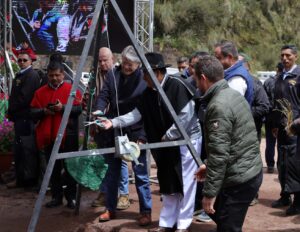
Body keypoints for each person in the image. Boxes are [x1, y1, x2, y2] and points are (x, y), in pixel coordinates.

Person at [100, 52, 202, 232]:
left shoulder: (176, 85)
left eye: (145, 74)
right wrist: (113, 122)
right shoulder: (148, 93)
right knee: (169, 182)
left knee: (186, 182)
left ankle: (183, 224)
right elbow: (135, 114)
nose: (143, 78)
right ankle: (167, 222)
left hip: (187, 142)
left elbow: (186, 116)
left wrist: (169, 135)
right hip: (167, 144)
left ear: (156, 73)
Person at [194, 55, 263, 232]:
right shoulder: (232, 94)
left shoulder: (218, 106)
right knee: (223, 218)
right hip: (248, 172)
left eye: (196, 79)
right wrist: (208, 165)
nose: (195, 85)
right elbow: (234, 141)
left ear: (203, 78)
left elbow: (219, 154)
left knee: (227, 225)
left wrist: (209, 194)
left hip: (241, 178)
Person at [95, 45, 152, 226]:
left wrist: (143, 136)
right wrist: (98, 110)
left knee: (141, 174)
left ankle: (146, 211)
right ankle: (110, 208)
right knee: (112, 172)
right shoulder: (113, 74)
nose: (126, 67)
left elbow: (145, 111)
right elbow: (104, 95)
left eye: (131, 65)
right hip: (114, 128)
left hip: (136, 130)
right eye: (125, 63)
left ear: (138, 65)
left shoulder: (144, 79)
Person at [30, 61, 82, 209]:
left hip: (68, 135)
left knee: (70, 167)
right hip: (49, 136)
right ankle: (56, 197)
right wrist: (44, 112)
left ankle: (71, 197)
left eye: (57, 75)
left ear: (63, 74)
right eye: (51, 75)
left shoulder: (72, 89)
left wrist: (63, 108)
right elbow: (32, 112)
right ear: (47, 75)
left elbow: (78, 110)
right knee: (53, 169)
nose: (54, 78)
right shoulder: (40, 92)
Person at [91, 47, 131, 210]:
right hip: (100, 124)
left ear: (113, 59)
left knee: (120, 159)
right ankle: (105, 191)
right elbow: (92, 100)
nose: (102, 63)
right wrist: (93, 122)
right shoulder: (94, 77)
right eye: (99, 60)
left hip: (117, 124)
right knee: (104, 159)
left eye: (105, 60)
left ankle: (124, 194)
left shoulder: (118, 75)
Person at [271, 45, 300, 215]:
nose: (285, 58)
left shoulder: (298, 75)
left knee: (294, 163)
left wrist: (296, 122)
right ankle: (285, 194)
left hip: (295, 128)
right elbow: (277, 102)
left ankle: (298, 201)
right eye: (282, 55)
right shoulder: (280, 76)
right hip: (281, 127)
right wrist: (274, 123)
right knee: (281, 161)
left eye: (288, 55)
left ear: (295, 56)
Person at [6, 52, 41, 189]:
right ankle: (21, 179)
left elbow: (24, 98)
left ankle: (26, 181)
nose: (21, 62)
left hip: (26, 118)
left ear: (30, 61)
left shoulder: (31, 75)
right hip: (20, 117)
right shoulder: (21, 74)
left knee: (26, 150)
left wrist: (12, 110)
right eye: (19, 60)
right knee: (20, 150)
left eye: (24, 60)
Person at [214, 40, 254, 105]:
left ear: (229, 57)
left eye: (218, 58)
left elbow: (229, 107)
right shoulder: (232, 73)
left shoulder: (236, 79)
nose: (215, 61)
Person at [263, 62, 283, 173]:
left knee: (270, 142)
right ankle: (280, 165)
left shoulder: (268, 81)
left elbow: (264, 100)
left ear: (276, 69)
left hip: (270, 116)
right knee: (282, 141)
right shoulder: (285, 81)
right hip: (282, 116)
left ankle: (270, 165)